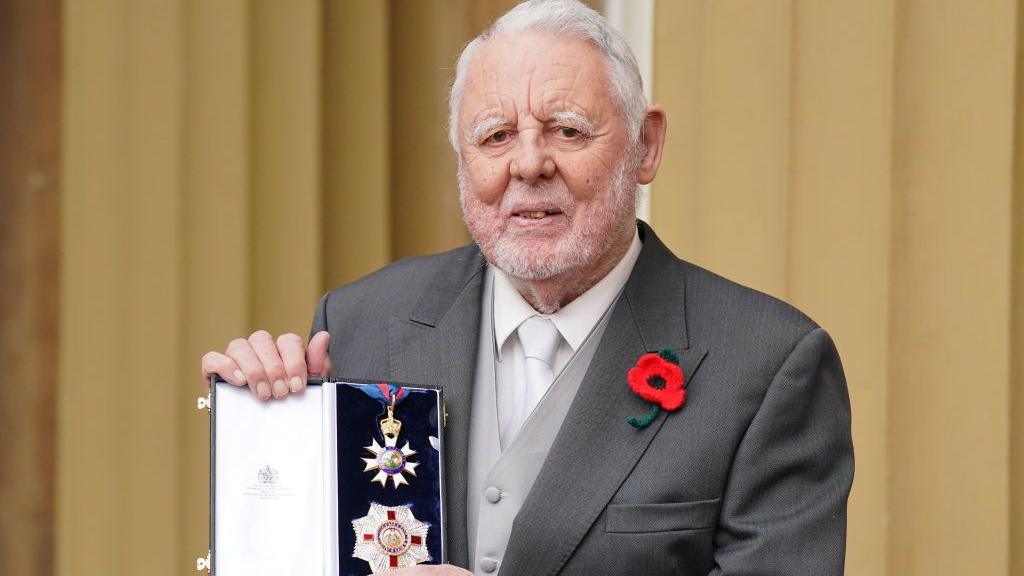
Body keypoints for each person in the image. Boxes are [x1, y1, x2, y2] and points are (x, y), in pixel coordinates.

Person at [201, 1, 854, 574]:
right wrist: (267, 426)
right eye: (495, 136)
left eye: (567, 130)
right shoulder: (360, 323)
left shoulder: (768, 366)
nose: (529, 163)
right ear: (462, 159)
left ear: (646, 146)